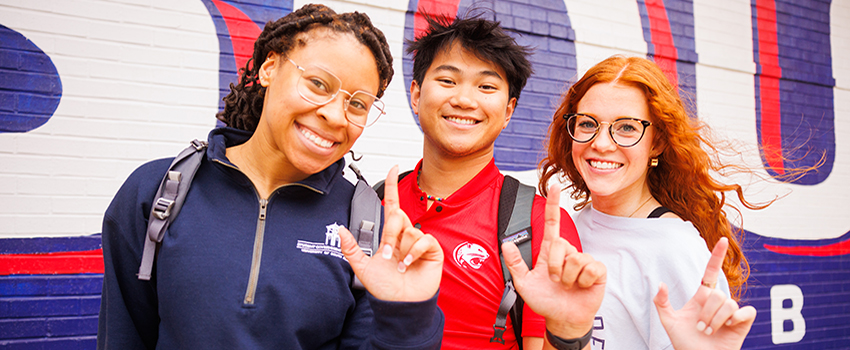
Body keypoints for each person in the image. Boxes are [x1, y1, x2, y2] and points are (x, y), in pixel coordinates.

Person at [97, 4, 445, 349]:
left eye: (357, 104)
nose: (336, 116)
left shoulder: (368, 228)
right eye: (318, 84)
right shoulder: (159, 192)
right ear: (269, 68)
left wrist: (407, 318)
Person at [400, 14, 602, 349]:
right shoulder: (371, 204)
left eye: (486, 87)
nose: (465, 99)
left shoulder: (539, 225)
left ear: (508, 111)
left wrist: (567, 331)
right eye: (448, 81)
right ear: (416, 95)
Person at [538, 55, 759, 350]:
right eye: (588, 123)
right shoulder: (571, 229)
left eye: (627, 127)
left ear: (656, 142)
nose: (601, 143)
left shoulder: (675, 248)